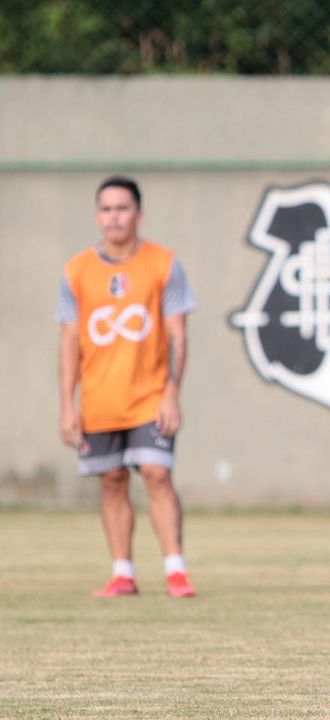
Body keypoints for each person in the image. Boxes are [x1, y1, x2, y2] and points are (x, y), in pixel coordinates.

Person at [57, 176, 198, 599]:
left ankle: (175, 571)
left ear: (139, 214)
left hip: (149, 396)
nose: (113, 216)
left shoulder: (163, 264)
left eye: (122, 208)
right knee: (112, 480)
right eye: (106, 209)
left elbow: (177, 336)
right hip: (99, 399)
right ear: (97, 216)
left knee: (156, 473)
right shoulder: (76, 270)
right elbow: (69, 342)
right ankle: (123, 573)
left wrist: (172, 391)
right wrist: (68, 404)